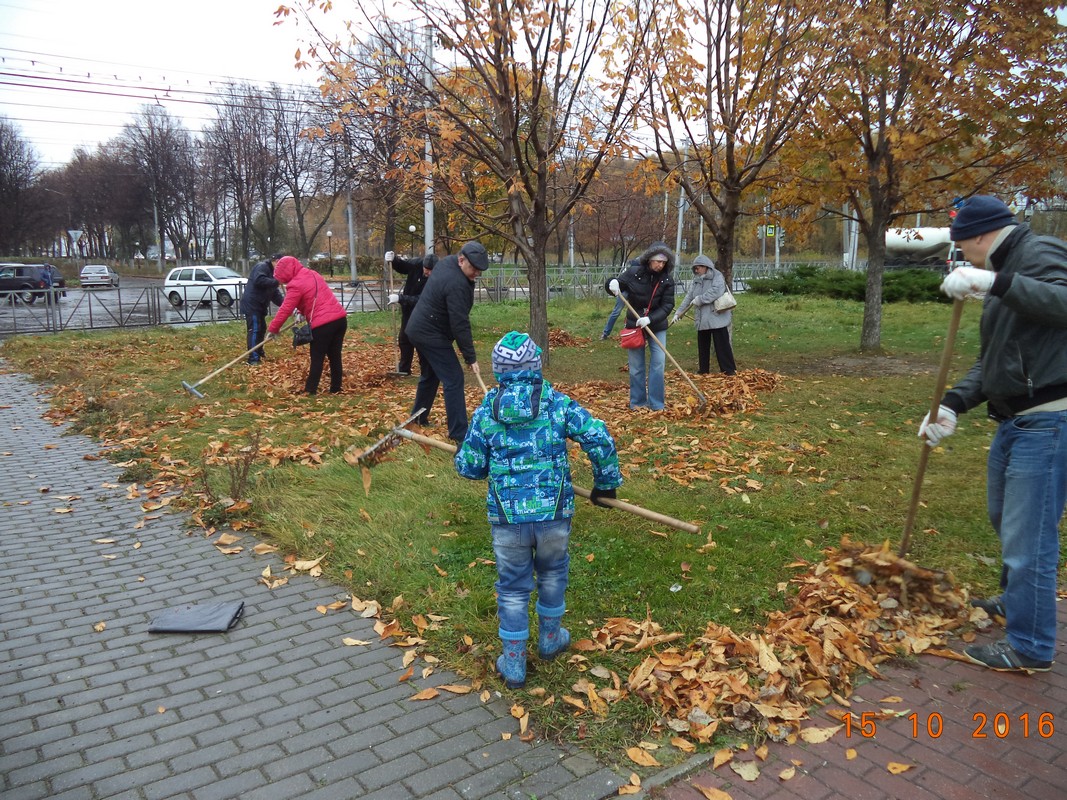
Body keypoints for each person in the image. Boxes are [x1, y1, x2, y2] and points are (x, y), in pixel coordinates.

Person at [919, 194, 1067, 674]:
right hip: (1015, 421)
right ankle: (1015, 601)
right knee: (1006, 520)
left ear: (981, 234)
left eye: (961, 243)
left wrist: (997, 281)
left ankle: (1029, 645)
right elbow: (996, 359)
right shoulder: (1005, 271)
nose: (960, 253)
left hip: (1048, 420)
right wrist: (953, 403)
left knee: (1030, 539)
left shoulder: (1037, 252)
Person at [454, 331, 623, 688]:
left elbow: (469, 467)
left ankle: (513, 664)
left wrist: (484, 460)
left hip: (508, 521)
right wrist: (605, 482)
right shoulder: (557, 403)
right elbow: (598, 436)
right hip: (553, 516)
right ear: (536, 366)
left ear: (498, 371)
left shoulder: (488, 409)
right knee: (552, 573)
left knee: (513, 588)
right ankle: (549, 639)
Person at [405, 240, 490, 441]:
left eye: (480, 270)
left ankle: (417, 419)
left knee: (431, 375)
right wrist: (470, 357)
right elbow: (459, 323)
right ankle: (459, 432)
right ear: (462, 260)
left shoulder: (448, 262)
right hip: (429, 333)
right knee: (454, 378)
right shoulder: (457, 283)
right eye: (474, 268)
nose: (477, 273)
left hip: (419, 328)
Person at [606, 242, 677, 410]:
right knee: (636, 366)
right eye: (657, 261)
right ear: (649, 259)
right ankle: (637, 403)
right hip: (634, 325)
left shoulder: (667, 280)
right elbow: (616, 285)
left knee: (658, 363)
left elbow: (668, 305)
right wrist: (611, 284)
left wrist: (650, 319)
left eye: (664, 262)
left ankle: (656, 403)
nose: (660, 265)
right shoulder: (634, 273)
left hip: (657, 325)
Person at [266, 256, 348, 395]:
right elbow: (312, 296)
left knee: (317, 357)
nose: (282, 282)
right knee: (335, 356)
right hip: (340, 319)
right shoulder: (312, 273)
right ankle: (336, 388)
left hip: (323, 324)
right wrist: (301, 312)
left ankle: (310, 390)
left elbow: (285, 309)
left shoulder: (295, 285)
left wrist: (273, 329)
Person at [672, 254, 736, 375]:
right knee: (703, 347)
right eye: (695, 268)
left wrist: (700, 299)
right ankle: (703, 370)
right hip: (702, 319)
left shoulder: (717, 276)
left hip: (717, 317)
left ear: (706, 266)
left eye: (699, 268)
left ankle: (729, 371)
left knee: (722, 346)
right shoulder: (696, 279)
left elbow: (716, 291)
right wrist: (679, 312)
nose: (697, 270)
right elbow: (689, 296)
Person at [386, 250, 437, 375]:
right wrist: (394, 260)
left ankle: (426, 369)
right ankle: (404, 368)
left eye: (431, 270)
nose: (427, 272)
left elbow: (422, 299)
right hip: (408, 310)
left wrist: (400, 298)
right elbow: (403, 267)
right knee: (404, 338)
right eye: (426, 269)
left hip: (423, 313)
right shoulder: (416, 264)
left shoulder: (437, 279)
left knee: (419, 340)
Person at [240, 253, 285, 365]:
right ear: (276, 261)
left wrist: (286, 305)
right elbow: (259, 280)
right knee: (255, 330)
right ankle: (253, 358)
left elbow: (275, 294)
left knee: (262, 329)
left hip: (260, 305)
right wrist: (276, 282)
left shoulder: (274, 274)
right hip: (252, 305)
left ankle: (259, 351)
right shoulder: (262, 267)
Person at [600, 259, 637, 340]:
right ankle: (605, 333)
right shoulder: (629, 272)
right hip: (624, 291)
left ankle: (633, 331)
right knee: (616, 311)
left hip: (636, 291)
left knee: (636, 311)